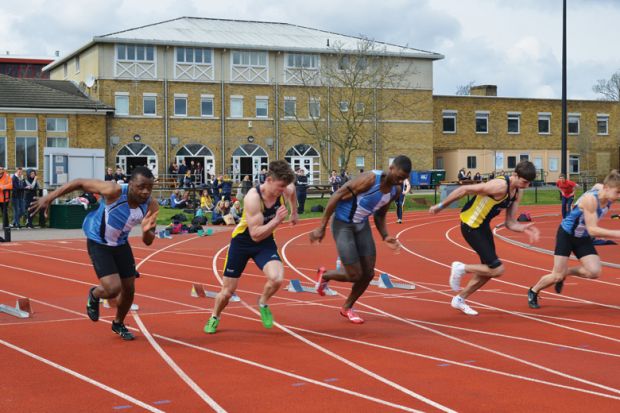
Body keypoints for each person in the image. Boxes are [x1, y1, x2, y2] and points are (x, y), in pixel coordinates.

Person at [29, 166, 159, 340]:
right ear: (130, 183)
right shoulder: (113, 190)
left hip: (120, 244)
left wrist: (145, 232)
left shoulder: (151, 204)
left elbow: (148, 241)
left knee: (129, 290)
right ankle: (94, 294)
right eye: (141, 186)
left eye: (149, 188)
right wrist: (49, 197)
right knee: (113, 289)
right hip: (98, 242)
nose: (145, 192)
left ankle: (118, 323)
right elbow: (79, 183)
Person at [428, 160, 540, 316]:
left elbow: (509, 223)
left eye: (529, 183)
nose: (527, 186)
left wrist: (523, 228)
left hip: (483, 226)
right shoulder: (499, 186)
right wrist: (441, 206)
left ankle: (460, 299)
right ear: (515, 175)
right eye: (524, 182)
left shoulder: (517, 192)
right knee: (497, 269)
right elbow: (465, 189)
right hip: (471, 226)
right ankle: (460, 268)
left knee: (489, 271)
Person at [310, 156, 412, 324]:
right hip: (343, 224)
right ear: (391, 168)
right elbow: (337, 195)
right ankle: (325, 275)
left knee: (368, 273)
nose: (399, 180)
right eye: (398, 176)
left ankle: (347, 307)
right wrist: (321, 226)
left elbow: (380, 214)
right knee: (355, 274)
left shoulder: (396, 190)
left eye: (403, 179)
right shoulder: (370, 179)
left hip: (361, 225)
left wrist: (385, 236)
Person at [204, 160, 298, 334]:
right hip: (243, 241)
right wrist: (277, 220)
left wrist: (294, 212)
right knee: (227, 291)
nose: (282, 190)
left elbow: (292, 192)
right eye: (280, 186)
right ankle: (214, 316)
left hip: (266, 242)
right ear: (269, 180)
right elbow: (255, 234)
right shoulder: (253, 198)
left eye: (285, 186)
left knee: (277, 279)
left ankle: (262, 302)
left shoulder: (286, 189)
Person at [528, 170, 620, 309]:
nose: (619, 196)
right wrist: (617, 233)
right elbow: (592, 230)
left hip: (582, 238)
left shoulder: (605, 192)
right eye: (618, 192)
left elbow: (597, 185)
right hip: (567, 235)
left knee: (594, 272)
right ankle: (534, 291)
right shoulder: (590, 200)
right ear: (607, 188)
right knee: (556, 276)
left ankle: (566, 272)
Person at [0, 166, 13, 230]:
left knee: (4, 212)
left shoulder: (7, 176)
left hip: (5, 198)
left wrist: (2, 186)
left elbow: (10, 185)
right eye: (0, 169)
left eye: (2, 169)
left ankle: (6, 226)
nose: (1, 170)